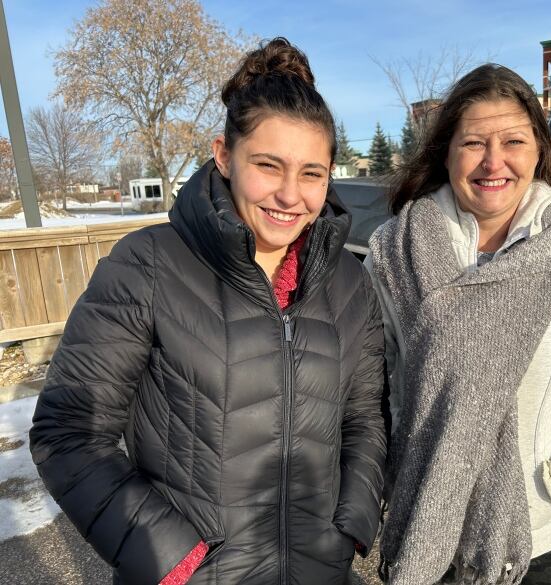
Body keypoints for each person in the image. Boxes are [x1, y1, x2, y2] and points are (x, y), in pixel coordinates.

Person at [29, 38, 387, 585]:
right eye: (268, 166)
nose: (291, 195)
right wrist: (176, 561)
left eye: (312, 173)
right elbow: (69, 431)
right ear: (224, 155)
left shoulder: (348, 282)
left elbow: (364, 419)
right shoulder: (148, 266)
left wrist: (352, 525)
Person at [366, 64, 551, 585]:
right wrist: (392, 477)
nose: (493, 161)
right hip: (431, 528)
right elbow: (373, 386)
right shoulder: (397, 251)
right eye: (474, 142)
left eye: (513, 141)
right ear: (447, 152)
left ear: (539, 150)